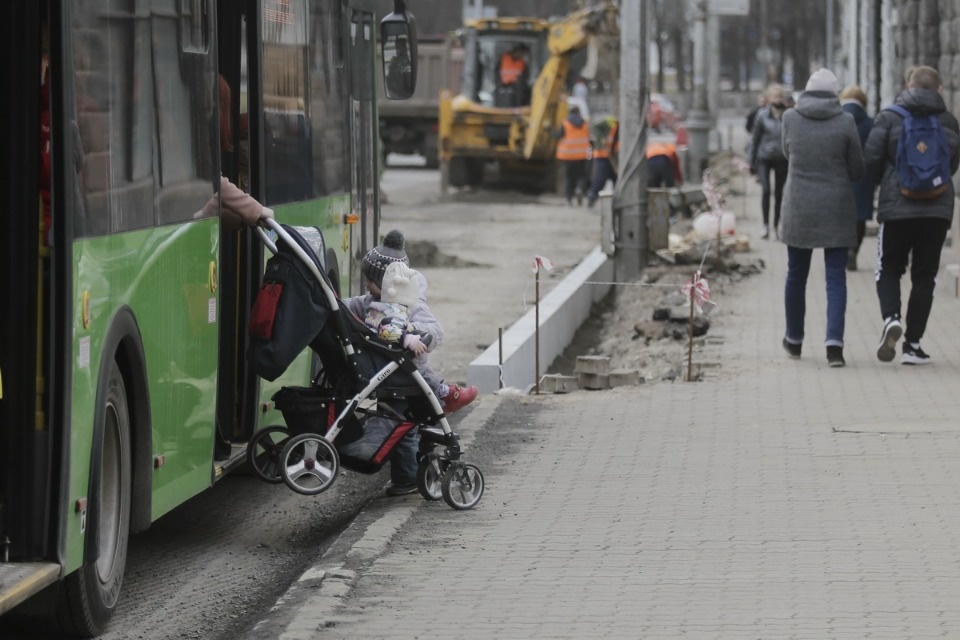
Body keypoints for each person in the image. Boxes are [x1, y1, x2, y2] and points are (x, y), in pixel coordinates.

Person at [341, 230, 478, 495]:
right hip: (391, 374)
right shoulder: (372, 303)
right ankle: (404, 478)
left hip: (408, 373)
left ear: (389, 283)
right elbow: (346, 308)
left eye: (371, 281)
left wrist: (412, 332)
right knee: (399, 424)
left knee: (402, 423)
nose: (366, 285)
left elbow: (434, 330)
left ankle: (444, 393)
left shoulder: (412, 305)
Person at [864, 65, 960, 365]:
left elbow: (871, 160)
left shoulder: (890, 117)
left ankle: (891, 318)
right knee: (925, 276)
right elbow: (952, 164)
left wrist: (886, 185)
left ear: (908, 85)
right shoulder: (949, 120)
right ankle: (913, 345)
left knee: (889, 268)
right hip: (937, 209)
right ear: (939, 90)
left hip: (897, 208)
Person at [779, 68, 864, 368]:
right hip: (837, 207)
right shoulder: (846, 121)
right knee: (835, 278)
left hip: (799, 207)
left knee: (795, 275)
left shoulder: (790, 118)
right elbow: (857, 168)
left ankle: (794, 339)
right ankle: (834, 347)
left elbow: (787, 152)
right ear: (834, 94)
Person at [839, 85, 876, 271]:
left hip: (839, 175)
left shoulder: (836, 121)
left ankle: (842, 250)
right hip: (864, 175)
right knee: (859, 216)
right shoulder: (871, 123)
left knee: (840, 215)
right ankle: (854, 249)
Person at [749, 84, 790, 239]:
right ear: (769, 98)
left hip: (782, 158)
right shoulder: (762, 115)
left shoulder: (788, 115)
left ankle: (776, 226)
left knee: (780, 193)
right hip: (764, 157)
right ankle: (765, 226)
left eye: (780, 96)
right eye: (774, 96)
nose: (777, 99)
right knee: (766, 190)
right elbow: (755, 138)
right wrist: (751, 161)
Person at [553, 105, 591, 205]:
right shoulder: (585, 123)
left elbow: (559, 135)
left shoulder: (565, 123)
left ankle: (569, 199)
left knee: (569, 177)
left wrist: (549, 130)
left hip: (568, 155)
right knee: (582, 176)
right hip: (583, 154)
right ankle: (579, 189)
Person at [586, 115, 619, 207]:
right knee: (600, 179)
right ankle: (591, 199)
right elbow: (595, 127)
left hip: (611, 158)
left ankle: (617, 202)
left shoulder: (620, 129)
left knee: (617, 180)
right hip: (602, 156)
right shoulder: (611, 124)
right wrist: (601, 141)